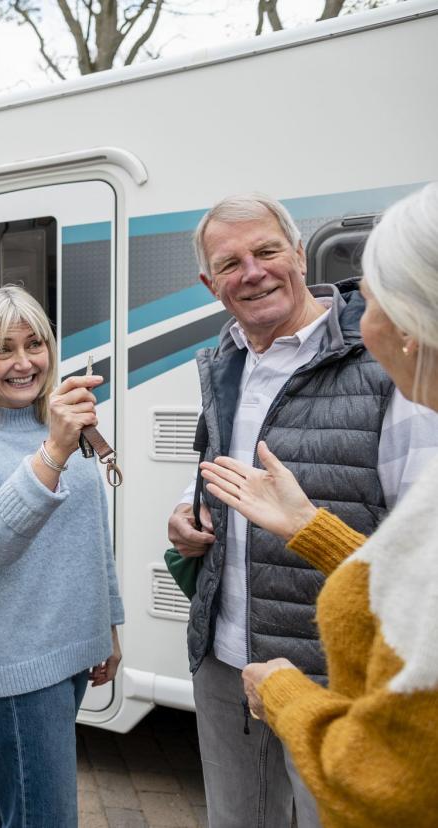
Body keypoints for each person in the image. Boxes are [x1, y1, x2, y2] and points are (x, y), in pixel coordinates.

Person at [166, 192, 438, 827]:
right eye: (230, 264)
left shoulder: (390, 366)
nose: (253, 272)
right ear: (211, 284)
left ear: (298, 251)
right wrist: (189, 510)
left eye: (266, 251)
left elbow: (417, 552)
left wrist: (307, 526)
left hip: (328, 666)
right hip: (224, 654)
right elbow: (218, 466)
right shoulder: (225, 358)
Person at [0, 284, 123, 828]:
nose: (24, 363)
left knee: (2, 792)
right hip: (16, 658)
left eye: (34, 344)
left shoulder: (58, 422)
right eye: (3, 349)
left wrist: (106, 621)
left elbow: (90, 532)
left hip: (71, 647)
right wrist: (55, 453)